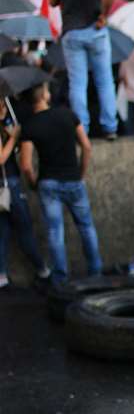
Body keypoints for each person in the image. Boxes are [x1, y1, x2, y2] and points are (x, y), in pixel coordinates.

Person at [19, 83, 102, 285]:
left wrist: (33, 184)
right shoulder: (67, 114)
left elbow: (27, 165)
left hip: (48, 183)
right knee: (86, 227)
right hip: (73, 179)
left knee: (56, 233)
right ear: (45, 95)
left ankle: (60, 280)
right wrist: (80, 173)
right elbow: (87, 146)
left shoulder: (30, 126)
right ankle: (96, 273)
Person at [50, 0, 118, 139]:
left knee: (77, 84)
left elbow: (52, 1)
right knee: (104, 81)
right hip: (95, 29)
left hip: (71, 31)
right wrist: (103, 14)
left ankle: (82, 130)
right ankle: (109, 127)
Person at [0, 98, 49, 290]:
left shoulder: (4, 123)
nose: (4, 110)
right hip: (8, 184)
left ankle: (2, 275)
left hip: (6, 185)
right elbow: (2, 158)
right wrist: (14, 137)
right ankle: (42, 269)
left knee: (3, 232)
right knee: (25, 228)